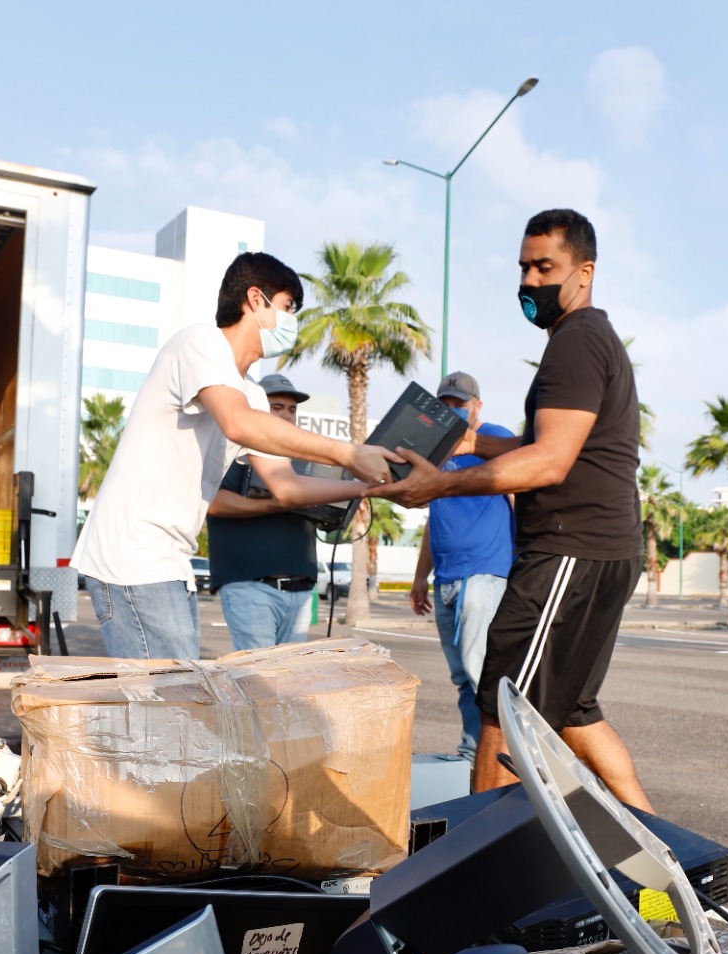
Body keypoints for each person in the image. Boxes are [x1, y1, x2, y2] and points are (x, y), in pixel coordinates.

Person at [368, 209, 651, 811]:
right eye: (524, 267)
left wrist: (439, 487)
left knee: (503, 707)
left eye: (545, 267)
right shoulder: (589, 338)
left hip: (568, 551)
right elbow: (547, 442)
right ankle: (669, 852)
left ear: (584, 272)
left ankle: (482, 860)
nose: (529, 281)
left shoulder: (575, 342)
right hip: (601, 552)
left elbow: (549, 462)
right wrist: (472, 443)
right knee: (573, 713)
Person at [71, 251, 394, 661]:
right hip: (134, 554)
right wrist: (349, 453)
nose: (292, 321)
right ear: (255, 299)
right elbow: (237, 423)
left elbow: (287, 487)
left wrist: (368, 487)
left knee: (173, 693)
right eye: (288, 307)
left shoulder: (251, 394)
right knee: (170, 695)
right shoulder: (200, 343)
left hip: (168, 560)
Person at [410, 372, 514, 764]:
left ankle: (506, 759)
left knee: (481, 673)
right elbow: (434, 518)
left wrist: (524, 559)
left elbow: (519, 492)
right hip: (446, 579)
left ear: (477, 406)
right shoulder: (437, 450)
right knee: (463, 679)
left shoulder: (494, 438)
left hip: (483, 573)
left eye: (460, 404)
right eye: (445, 405)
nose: (452, 411)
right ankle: (474, 755)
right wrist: (420, 577)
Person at [207, 372, 339, 650]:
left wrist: (333, 510)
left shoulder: (304, 462)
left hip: (300, 590)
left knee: (288, 675)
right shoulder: (236, 451)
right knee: (260, 673)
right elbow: (213, 502)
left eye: (292, 409)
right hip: (250, 585)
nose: (287, 415)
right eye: (277, 407)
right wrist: (273, 504)